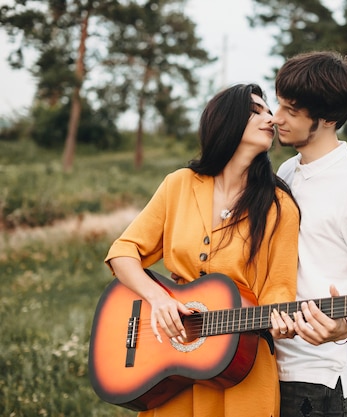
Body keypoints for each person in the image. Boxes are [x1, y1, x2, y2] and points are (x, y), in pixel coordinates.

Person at [104, 83, 301, 417]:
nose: (269, 118)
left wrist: (284, 320)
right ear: (226, 121)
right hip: (171, 363)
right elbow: (123, 252)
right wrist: (159, 298)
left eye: (269, 110)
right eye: (256, 111)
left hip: (241, 369)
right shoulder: (179, 184)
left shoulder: (279, 205)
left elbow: (279, 286)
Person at [271, 51, 347, 416]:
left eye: (291, 111)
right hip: (266, 361)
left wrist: (341, 329)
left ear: (327, 119)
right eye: (279, 106)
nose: (277, 119)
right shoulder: (288, 171)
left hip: (316, 379)